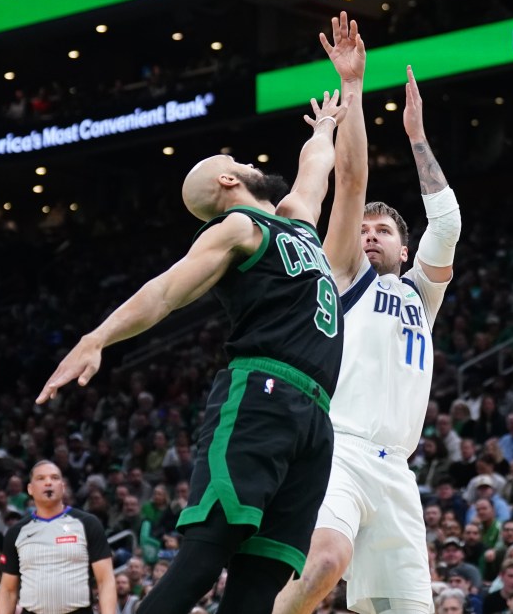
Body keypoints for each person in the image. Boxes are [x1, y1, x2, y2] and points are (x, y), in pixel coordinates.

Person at [36, 86, 351, 613]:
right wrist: (97, 338)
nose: (250, 162)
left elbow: (315, 173)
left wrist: (324, 129)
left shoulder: (295, 221)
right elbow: (165, 291)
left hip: (315, 416)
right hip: (260, 393)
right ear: (229, 180)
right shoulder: (238, 228)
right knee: (205, 558)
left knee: (258, 585)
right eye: (238, 161)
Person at [274, 13, 459, 614]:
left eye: (385, 231)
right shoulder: (345, 278)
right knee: (326, 561)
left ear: (405, 251)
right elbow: (351, 180)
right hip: (340, 448)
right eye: (367, 229)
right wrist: (352, 89)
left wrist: (416, 136)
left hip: (398, 474)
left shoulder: (418, 297)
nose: (372, 235)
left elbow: (448, 223)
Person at [0, 461, 115, 614]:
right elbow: (8, 590)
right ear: (30, 489)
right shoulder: (16, 532)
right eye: (41, 478)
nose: (48, 482)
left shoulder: (88, 524)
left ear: (63, 487)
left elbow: (105, 580)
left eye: (54, 478)